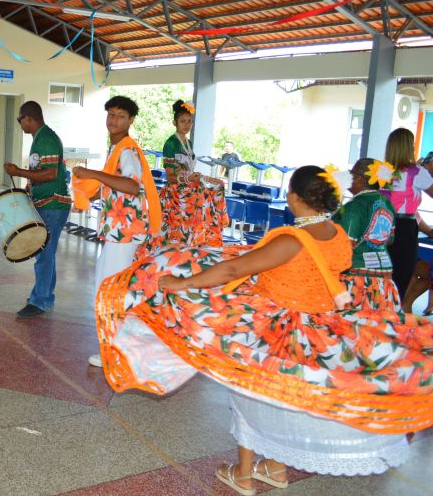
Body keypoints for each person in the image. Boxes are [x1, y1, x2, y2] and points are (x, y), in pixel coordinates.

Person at [95, 166, 433, 494]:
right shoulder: (338, 236)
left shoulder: (293, 239)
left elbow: (233, 270)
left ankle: (243, 475)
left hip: (278, 327)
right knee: (278, 396)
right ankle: (274, 467)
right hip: (318, 328)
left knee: (249, 393)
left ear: (296, 198)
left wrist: (184, 283)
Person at [71, 95, 161, 367]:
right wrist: (89, 195)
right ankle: (117, 345)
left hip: (125, 233)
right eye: (111, 114)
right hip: (119, 232)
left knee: (111, 290)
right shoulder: (117, 148)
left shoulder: (127, 150)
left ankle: (117, 349)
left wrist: (93, 175)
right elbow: (115, 187)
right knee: (108, 287)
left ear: (131, 120)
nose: (114, 120)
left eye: (120, 116)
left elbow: (132, 186)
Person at [4, 101, 71, 318]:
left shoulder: (47, 140)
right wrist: (30, 184)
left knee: (43, 253)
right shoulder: (39, 139)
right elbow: (41, 171)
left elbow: (51, 174)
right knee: (46, 253)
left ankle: (40, 301)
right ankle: (44, 296)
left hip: (53, 204)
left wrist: (19, 172)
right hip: (45, 202)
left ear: (28, 119)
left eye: (20, 119)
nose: (20, 123)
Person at [333, 158, 399, 310]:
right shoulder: (387, 202)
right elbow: (389, 240)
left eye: (352, 174)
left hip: (356, 280)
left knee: (350, 325)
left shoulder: (355, 206)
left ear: (362, 179)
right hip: (383, 278)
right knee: (374, 327)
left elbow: (344, 245)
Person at [381, 127, 433, 305]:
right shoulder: (417, 172)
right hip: (404, 229)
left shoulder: (380, 171)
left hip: (381, 225)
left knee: (382, 276)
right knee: (401, 277)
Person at [161, 99, 196, 183]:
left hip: (188, 185)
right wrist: (187, 179)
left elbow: (189, 169)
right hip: (175, 191)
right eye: (182, 121)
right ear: (174, 123)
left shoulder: (189, 143)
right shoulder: (171, 143)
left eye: (189, 121)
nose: (186, 125)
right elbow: (169, 177)